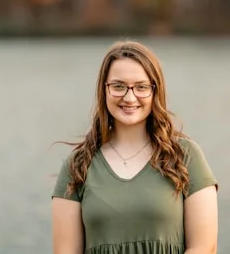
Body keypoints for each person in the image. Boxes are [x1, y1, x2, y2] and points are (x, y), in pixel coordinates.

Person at [51, 40, 219, 254]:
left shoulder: (186, 157)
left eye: (141, 87)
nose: (129, 97)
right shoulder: (77, 166)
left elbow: (204, 247)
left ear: (155, 91)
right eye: (118, 86)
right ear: (104, 90)